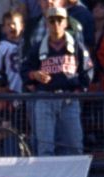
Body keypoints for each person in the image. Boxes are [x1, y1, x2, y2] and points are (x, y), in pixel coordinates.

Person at [22, 7, 92, 156]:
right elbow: (24, 69)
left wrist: (79, 90)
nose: (56, 24)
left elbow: (88, 71)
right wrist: (35, 75)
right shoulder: (37, 48)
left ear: (66, 22)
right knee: (45, 146)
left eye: (60, 20)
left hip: (69, 100)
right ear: (46, 24)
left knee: (74, 144)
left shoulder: (77, 47)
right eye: (52, 21)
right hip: (45, 99)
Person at [0, 10, 26, 93]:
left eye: (14, 24)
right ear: (3, 29)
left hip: (26, 90)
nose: (12, 27)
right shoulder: (0, 47)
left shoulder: (28, 44)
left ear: (22, 26)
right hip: (9, 91)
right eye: (8, 25)